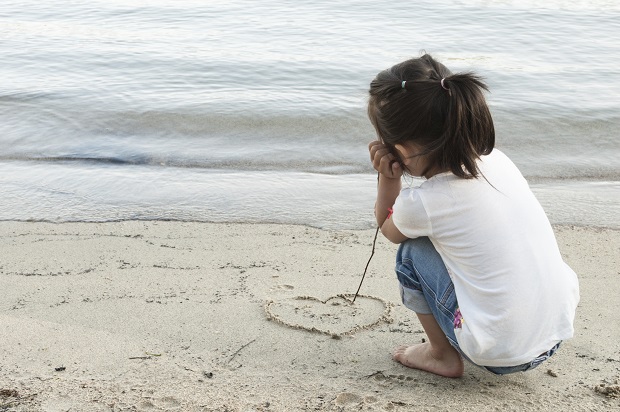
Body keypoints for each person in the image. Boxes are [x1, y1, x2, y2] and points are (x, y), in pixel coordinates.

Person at [367, 54, 579, 377]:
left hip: (500, 352)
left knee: (410, 253)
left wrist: (389, 177)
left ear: (403, 149)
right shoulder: (497, 160)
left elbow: (387, 226)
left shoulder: (425, 202)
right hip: (556, 331)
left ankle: (441, 354)